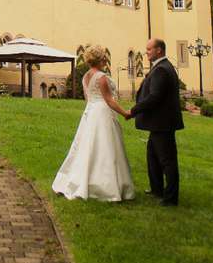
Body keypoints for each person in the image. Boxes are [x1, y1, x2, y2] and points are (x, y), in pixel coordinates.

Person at [52, 45, 135, 202]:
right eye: (104, 58)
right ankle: (106, 187)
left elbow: (88, 98)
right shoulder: (101, 77)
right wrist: (125, 113)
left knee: (87, 147)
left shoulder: (85, 77)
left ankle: (83, 180)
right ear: (100, 60)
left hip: (90, 112)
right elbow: (109, 100)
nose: (105, 60)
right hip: (102, 112)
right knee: (105, 148)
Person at [127, 38, 183, 206]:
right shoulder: (162, 67)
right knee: (153, 156)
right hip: (159, 123)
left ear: (159, 50)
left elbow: (155, 97)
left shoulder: (162, 69)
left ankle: (171, 198)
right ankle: (157, 189)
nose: (146, 52)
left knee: (167, 160)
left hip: (162, 123)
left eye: (149, 49)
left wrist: (134, 110)